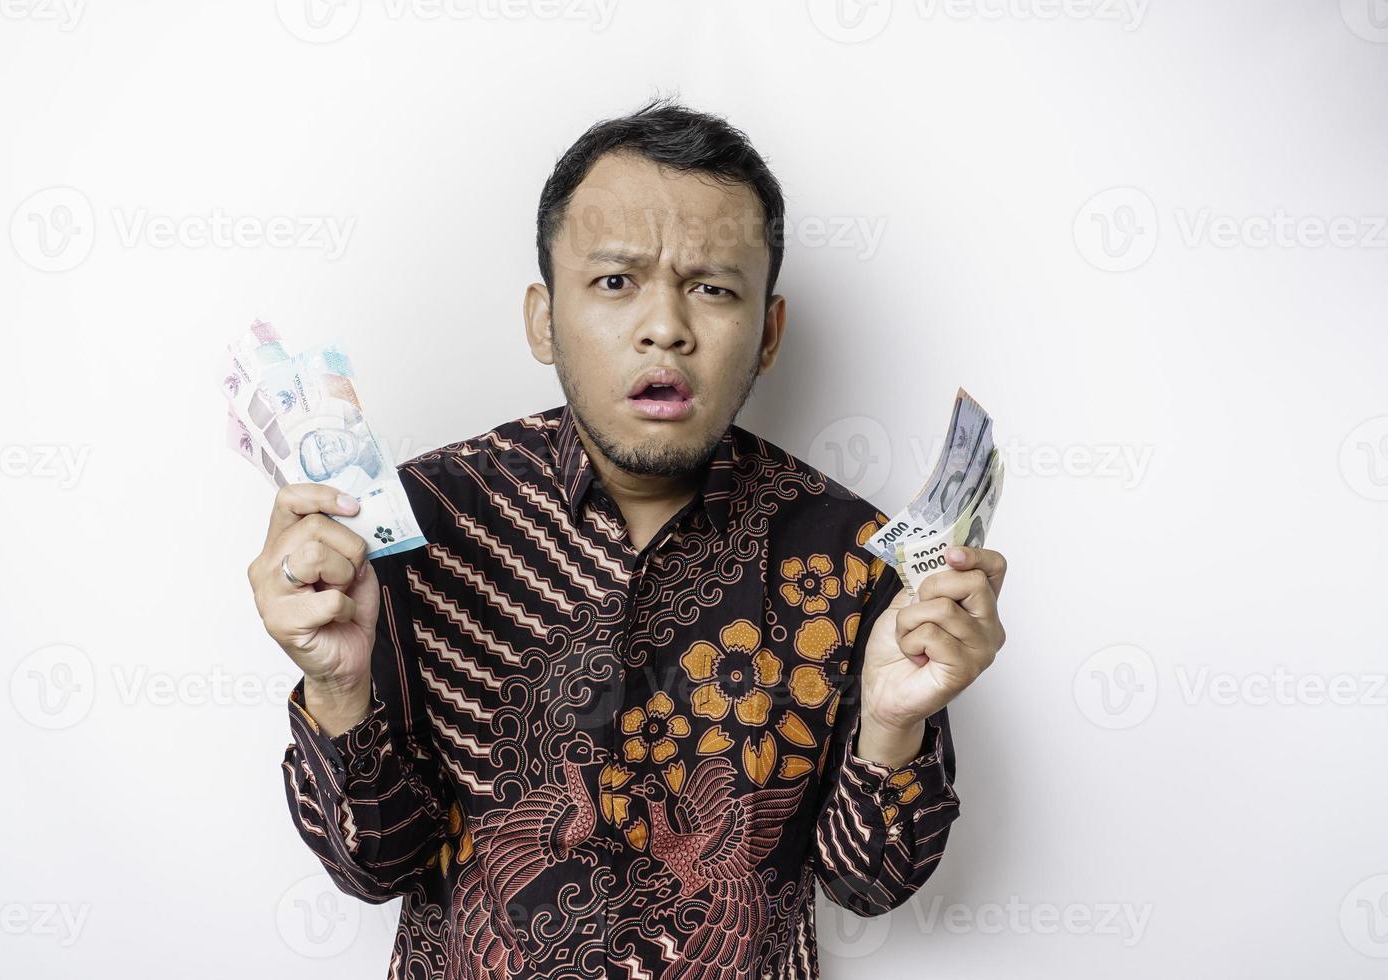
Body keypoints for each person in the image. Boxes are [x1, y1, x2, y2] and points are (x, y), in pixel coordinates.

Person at [246, 96, 1008, 980]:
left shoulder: (855, 559)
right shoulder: (417, 524)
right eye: (615, 281)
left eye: (713, 288)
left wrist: (889, 724)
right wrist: (336, 689)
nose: (665, 327)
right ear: (543, 318)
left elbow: (870, 887)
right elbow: (373, 867)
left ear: (766, 334)